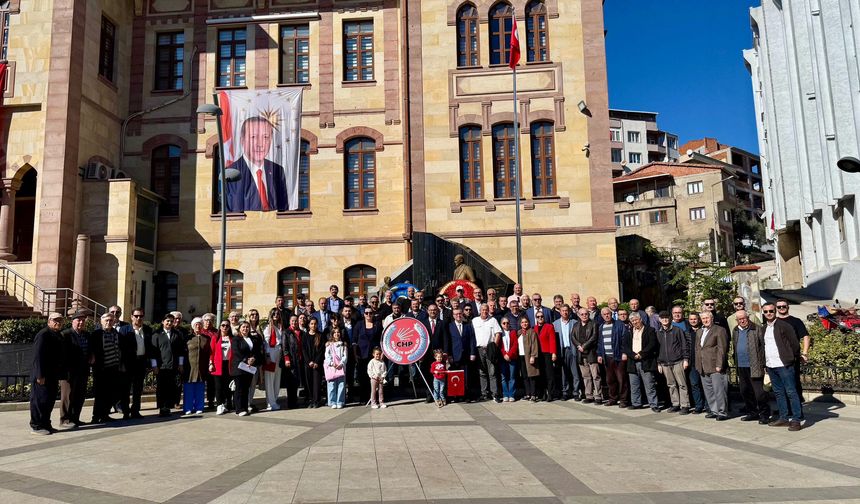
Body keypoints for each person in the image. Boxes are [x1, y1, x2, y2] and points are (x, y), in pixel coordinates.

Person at [225, 116, 290, 212]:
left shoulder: (277, 170)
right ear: (242, 140)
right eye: (253, 137)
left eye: (265, 137)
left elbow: (283, 209)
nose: (260, 144)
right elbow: (230, 212)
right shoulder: (231, 172)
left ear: (271, 140)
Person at [757, 303, 803, 431]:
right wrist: (765, 364)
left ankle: (796, 419)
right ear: (763, 313)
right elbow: (763, 347)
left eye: (771, 311)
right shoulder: (763, 328)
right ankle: (783, 418)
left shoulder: (784, 326)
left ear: (775, 311)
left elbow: (795, 344)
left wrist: (790, 358)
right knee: (778, 392)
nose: (769, 313)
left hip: (784, 365)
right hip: (771, 365)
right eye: (766, 312)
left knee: (791, 392)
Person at [732, 310, 770, 424]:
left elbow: (763, 347)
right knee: (745, 391)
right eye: (739, 319)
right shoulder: (735, 330)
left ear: (747, 317)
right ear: (736, 320)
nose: (742, 320)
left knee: (759, 393)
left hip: (755, 365)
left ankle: (764, 414)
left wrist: (764, 364)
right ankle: (752, 413)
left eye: (744, 318)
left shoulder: (757, 328)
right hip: (741, 366)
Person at [29, 313, 63, 435]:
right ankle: (36, 426)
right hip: (42, 375)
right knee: (39, 401)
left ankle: (46, 424)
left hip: (52, 375)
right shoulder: (43, 334)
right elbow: (37, 356)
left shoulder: (58, 335)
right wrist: (39, 375)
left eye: (60, 320)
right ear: (49, 321)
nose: (57, 322)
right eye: (55, 320)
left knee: (49, 401)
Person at [117, 307, 151, 419]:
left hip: (141, 363)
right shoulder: (124, 330)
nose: (138, 318)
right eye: (136, 316)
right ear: (131, 317)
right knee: (125, 389)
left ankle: (135, 410)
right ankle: (126, 412)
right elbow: (121, 348)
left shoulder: (147, 330)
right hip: (128, 364)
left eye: (141, 316)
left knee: (138, 389)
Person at [58, 309, 90, 428]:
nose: (81, 323)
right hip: (69, 372)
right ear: (73, 321)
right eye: (78, 320)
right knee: (67, 396)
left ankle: (75, 418)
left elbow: (89, 350)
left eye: (83, 321)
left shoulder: (86, 334)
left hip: (83, 370)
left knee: (79, 396)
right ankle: (65, 419)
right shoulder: (66, 334)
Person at [151, 313, 187, 418]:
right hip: (161, 367)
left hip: (174, 366)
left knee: (171, 387)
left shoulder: (177, 334)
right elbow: (153, 352)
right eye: (167, 321)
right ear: (163, 322)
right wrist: (154, 366)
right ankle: (162, 408)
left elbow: (181, 350)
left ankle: (168, 407)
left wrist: (180, 364)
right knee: (162, 388)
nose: (169, 323)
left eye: (171, 321)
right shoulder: (156, 334)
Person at [696, 311, 729, 420]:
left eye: (707, 318)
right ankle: (714, 410)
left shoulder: (719, 330)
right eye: (703, 318)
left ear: (712, 318)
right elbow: (698, 349)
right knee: (709, 391)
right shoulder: (700, 331)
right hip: (703, 366)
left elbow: (722, 349)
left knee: (719, 390)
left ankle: (722, 412)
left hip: (715, 365)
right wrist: (698, 365)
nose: (705, 320)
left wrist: (719, 364)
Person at [776, 299, 810, 404]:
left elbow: (805, 336)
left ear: (788, 307)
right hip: (776, 357)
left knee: (794, 382)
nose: (781, 308)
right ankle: (785, 408)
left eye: (784, 306)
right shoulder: (773, 322)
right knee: (780, 384)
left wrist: (804, 353)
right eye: (779, 307)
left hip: (792, 357)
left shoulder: (796, 321)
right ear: (776, 308)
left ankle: (796, 406)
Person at [90, 312, 123, 424]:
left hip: (113, 367)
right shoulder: (97, 334)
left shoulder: (116, 333)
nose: (109, 322)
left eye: (111, 320)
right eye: (106, 320)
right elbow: (92, 351)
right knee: (100, 394)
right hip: (101, 369)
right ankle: (96, 416)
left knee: (110, 393)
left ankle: (105, 415)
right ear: (101, 321)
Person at [656, 311, 690, 414]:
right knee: (671, 384)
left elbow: (684, 345)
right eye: (662, 318)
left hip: (678, 361)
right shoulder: (658, 333)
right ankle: (675, 404)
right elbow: (657, 349)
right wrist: (658, 363)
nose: (665, 319)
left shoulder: (677, 330)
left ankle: (685, 405)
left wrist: (686, 359)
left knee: (682, 384)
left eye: (667, 317)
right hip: (665, 363)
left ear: (670, 319)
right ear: (659, 320)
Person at [625, 312, 659, 412]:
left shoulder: (650, 330)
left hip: (646, 361)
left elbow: (652, 344)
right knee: (634, 384)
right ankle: (636, 403)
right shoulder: (629, 331)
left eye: (636, 320)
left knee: (649, 384)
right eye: (632, 321)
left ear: (641, 319)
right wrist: (633, 355)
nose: (635, 322)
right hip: (632, 361)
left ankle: (653, 404)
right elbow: (625, 346)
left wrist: (641, 354)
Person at [597, 307, 629, 407]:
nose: (607, 316)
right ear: (602, 316)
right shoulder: (601, 327)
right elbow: (600, 342)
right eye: (604, 314)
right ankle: (613, 398)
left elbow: (625, 339)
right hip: (607, 357)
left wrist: (624, 352)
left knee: (622, 379)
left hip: (618, 357)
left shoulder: (619, 325)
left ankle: (624, 400)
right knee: (610, 380)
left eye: (608, 314)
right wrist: (599, 354)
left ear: (611, 314)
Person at [472, 303, 503, 402]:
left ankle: (495, 394)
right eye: (483, 310)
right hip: (479, 349)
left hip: (490, 348)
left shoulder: (493, 320)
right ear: (479, 311)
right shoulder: (474, 321)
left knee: (492, 372)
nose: (484, 311)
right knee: (482, 372)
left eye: (486, 309)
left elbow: (498, 333)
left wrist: (494, 346)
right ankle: (484, 393)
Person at [572, 307, 601, 404]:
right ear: (579, 315)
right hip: (581, 354)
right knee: (586, 376)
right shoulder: (576, 325)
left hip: (591, 353)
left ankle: (598, 396)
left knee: (595, 376)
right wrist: (579, 346)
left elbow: (594, 337)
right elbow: (572, 337)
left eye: (586, 314)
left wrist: (584, 346)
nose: (584, 316)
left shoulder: (593, 324)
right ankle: (589, 395)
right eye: (582, 314)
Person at [421, 304, 449, 403]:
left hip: (439, 355)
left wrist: (445, 352)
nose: (433, 312)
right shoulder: (422, 323)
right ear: (428, 311)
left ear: (437, 311)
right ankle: (430, 395)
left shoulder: (442, 323)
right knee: (428, 375)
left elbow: (446, 338)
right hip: (426, 354)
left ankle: (442, 395)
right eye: (431, 310)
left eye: (434, 310)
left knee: (441, 375)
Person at [448, 307, 477, 403]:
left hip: (466, 355)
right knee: (455, 377)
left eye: (460, 313)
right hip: (455, 356)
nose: (458, 315)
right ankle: (456, 396)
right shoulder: (450, 326)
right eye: (456, 314)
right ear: (453, 316)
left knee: (466, 377)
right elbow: (448, 342)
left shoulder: (468, 326)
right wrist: (449, 356)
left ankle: (466, 395)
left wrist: (472, 353)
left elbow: (472, 340)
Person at [354, 308, 382, 404]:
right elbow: (354, 340)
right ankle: (363, 398)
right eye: (366, 313)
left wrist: (381, 353)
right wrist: (355, 354)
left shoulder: (377, 324)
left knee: (375, 377)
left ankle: (374, 398)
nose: (368, 314)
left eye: (370, 313)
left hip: (374, 356)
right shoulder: (359, 324)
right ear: (364, 314)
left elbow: (381, 339)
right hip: (362, 355)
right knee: (363, 377)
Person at [553, 304, 581, 401]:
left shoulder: (575, 323)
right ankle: (565, 392)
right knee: (563, 373)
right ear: (560, 312)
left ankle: (576, 392)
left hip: (572, 350)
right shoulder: (555, 324)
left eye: (566, 310)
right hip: (561, 351)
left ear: (569, 312)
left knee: (575, 373)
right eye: (563, 311)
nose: (565, 312)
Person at [184, 318, 211, 416]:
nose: (198, 326)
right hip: (190, 367)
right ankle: (188, 407)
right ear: (193, 326)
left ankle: (199, 406)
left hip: (202, 367)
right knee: (189, 388)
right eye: (196, 325)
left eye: (200, 324)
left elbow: (210, 352)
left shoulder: (207, 338)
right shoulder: (187, 338)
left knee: (200, 388)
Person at [230, 321, 258, 416]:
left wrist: (253, 358)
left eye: (247, 327)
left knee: (246, 388)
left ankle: (245, 408)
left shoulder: (252, 339)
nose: (245, 329)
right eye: (243, 327)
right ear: (240, 328)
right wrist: (246, 360)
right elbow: (236, 352)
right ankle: (239, 409)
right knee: (239, 389)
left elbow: (255, 351)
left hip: (249, 368)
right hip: (239, 367)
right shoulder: (236, 339)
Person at [683, 309, 707, 414]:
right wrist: (686, 360)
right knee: (694, 384)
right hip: (692, 363)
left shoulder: (705, 330)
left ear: (699, 320)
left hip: (704, 362)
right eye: (691, 319)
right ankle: (698, 406)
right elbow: (685, 348)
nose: (693, 321)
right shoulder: (686, 332)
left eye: (695, 319)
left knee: (705, 385)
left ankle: (708, 405)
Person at [208, 320, 234, 415]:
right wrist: (210, 363)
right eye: (223, 325)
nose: (225, 327)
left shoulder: (232, 338)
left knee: (227, 387)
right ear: (220, 327)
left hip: (229, 364)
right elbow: (211, 352)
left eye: (227, 325)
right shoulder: (216, 337)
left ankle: (226, 404)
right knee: (218, 386)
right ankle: (219, 405)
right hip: (218, 364)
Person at [263, 307, 285, 411]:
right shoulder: (268, 327)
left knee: (277, 378)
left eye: (277, 314)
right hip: (271, 353)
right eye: (274, 314)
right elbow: (266, 343)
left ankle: (274, 400)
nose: (276, 315)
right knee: (270, 379)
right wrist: (267, 356)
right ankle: (270, 402)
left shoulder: (281, 327)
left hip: (279, 353)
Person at [534, 311, 557, 401]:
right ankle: (543, 393)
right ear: (536, 318)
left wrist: (553, 353)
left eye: (542, 316)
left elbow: (552, 340)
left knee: (549, 374)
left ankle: (550, 393)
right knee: (541, 374)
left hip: (547, 353)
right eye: (538, 316)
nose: (540, 318)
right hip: (538, 354)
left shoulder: (549, 327)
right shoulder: (534, 328)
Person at [302, 318, 326, 408]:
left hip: (317, 363)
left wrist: (316, 361)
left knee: (316, 382)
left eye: (315, 324)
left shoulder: (320, 335)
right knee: (309, 382)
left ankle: (316, 400)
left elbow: (321, 350)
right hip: (308, 363)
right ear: (309, 325)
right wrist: (309, 361)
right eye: (311, 324)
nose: (313, 325)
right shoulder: (305, 335)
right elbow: (303, 349)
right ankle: (310, 399)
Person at [282, 315, 303, 408]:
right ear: (290, 322)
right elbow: (284, 346)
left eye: (296, 321)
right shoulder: (286, 332)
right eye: (292, 321)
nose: (294, 323)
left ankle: (295, 400)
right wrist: (286, 359)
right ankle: (291, 403)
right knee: (291, 382)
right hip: (291, 360)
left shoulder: (300, 332)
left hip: (299, 359)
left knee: (296, 381)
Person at [325, 327, 348, 409]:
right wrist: (331, 363)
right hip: (332, 368)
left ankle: (340, 401)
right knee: (332, 385)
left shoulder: (343, 345)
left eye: (338, 332)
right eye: (335, 332)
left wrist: (342, 363)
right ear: (332, 334)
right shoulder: (329, 345)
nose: (337, 334)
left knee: (341, 385)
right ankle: (332, 402)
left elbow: (345, 356)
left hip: (341, 367)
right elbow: (327, 356)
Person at [518, 316, 541, 402]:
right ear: (520, 324)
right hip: (521, 356)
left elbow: (534, 345)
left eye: (526, 322)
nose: (524, 324)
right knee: (525, 376)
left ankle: (533, 395)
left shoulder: (532, 332)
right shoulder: (519, 332)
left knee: (532, 376)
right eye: (523, 322)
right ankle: (528, 394)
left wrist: (533, 356)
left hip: (529, 357)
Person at [498, 318, 519, 402]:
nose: (506, 325)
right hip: (503, 358)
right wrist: (504, 355)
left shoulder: (513, 332)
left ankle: (512, 395)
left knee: (512, 377)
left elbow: (515, 345)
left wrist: (509, 355)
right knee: (503, 377)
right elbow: (499, 346)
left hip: (512, 357)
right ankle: (505, 394)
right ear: (501, 324)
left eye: (507, 323)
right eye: (504, 323)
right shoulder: (499, 333)